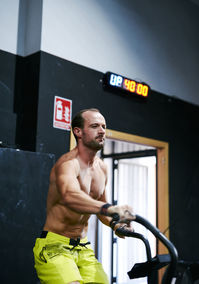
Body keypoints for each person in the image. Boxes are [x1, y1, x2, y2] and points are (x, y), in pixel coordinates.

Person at [33, 108, 135, 284]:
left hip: (83, 247)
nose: (102, 131)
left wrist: (116, 225)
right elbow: (70, 197)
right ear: (78, 132)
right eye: (95, 126)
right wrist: (111, 209)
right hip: (55, 246)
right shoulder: (67, 164)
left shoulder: (102, 168)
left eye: (104, 126)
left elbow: (102, 210)